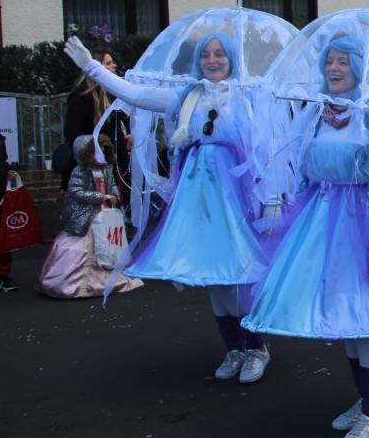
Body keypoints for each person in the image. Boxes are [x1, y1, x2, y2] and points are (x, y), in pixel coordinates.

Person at [242, 37, 369, 438]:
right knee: (345, 321)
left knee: (364, 321)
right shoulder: (318, 112)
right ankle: (366, 401)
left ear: (360, 67)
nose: (333, 68)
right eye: (329, 61)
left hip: (361, 228)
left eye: (343, 61)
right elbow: (302, 171)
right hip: (321, 223)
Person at [64, 32, 274, 385]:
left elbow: (267, 149)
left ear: (231, 59)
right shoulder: (186, 96)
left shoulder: (246, 97)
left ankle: (256, 348)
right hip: (197, 200)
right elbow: (136, 94)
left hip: (233, 199)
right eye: (206, 54)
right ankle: (234, 348)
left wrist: (271, 200)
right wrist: (92, 68)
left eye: (219, 54)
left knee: (235, 275)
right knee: (210, 277)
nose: (212, 60)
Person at [37, 135, 143, 299]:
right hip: (86, 214)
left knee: (107, 245)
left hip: (105, 213)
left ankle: (105, 277)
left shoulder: (106, 169)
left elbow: (112, 185)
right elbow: (76, 191)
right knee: (82, 247)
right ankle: (77, 283)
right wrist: (101, 197)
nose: (100, 156)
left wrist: (114, 196)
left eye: (103, 152)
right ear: (86, 154)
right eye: (96, 152)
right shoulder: (80, 171)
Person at [60, 49, 131, 193]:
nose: (114, 66)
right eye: (108, 63)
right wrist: (94, 149)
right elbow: (71, 131)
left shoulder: (110, 95)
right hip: (90, 168)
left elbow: (118, 123)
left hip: (112, 166)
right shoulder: (81, 96)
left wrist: (128, 135)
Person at [0, 131, 20, 291]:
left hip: (0, 205)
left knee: (2, 241)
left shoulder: (2, 166)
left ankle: (3, 276)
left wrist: (9, 175)